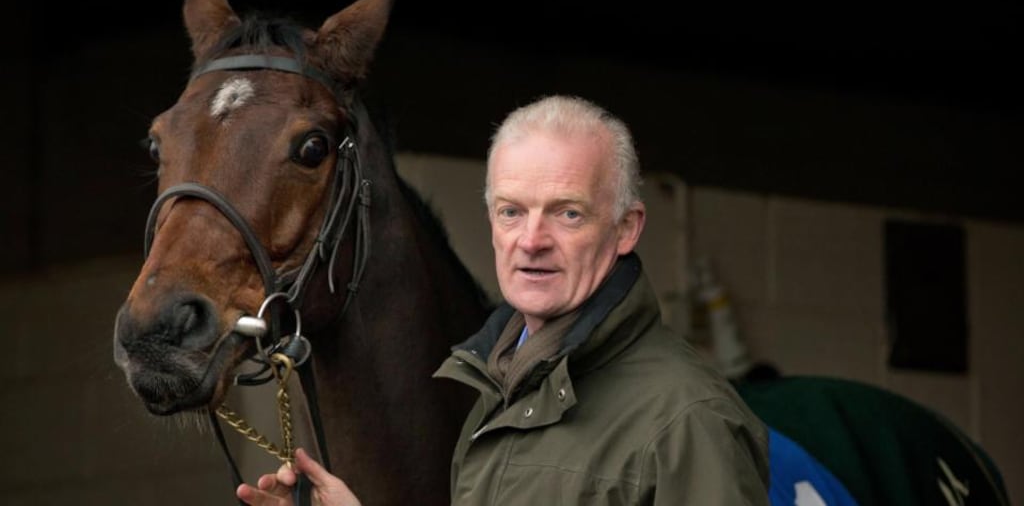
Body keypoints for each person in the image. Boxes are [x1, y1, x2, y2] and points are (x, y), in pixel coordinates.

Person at [238, 95, 771, 505]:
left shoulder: (688, 421)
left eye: (567, 213)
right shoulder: (499, 384)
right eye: (511, 211)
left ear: (626, 229)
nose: (531, 240)